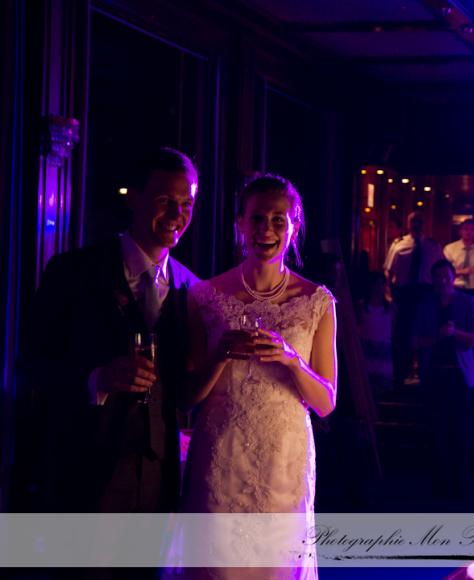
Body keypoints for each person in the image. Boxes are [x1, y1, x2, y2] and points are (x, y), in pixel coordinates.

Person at [17, 147, 199, 513]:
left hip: (158, 482)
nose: (177, 215)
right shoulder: (72, 271)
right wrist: (96, 379)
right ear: (134, 197)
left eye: (186, 204)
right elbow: (31, 366)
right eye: (165, 201)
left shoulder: (192, 288)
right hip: (80, 472)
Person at [180, 174, 336, 578]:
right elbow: (187, 398)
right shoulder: (205, 297)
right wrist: (219, 355)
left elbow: (325, 402)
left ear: (294, 227)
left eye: (278, 220)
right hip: (222, 457)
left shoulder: (317, 302)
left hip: (284, 460)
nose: (266, 229)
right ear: (240, 224)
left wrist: (292, 361)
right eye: (257, 219)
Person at [413, 259, 474, 503]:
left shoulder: (467, 302)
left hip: (459, 377)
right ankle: (439, 487)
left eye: (446, 276)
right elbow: (415, 340)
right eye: (438, 276)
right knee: (436, 432)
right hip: (433, 376)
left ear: (453, 278)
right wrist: (437, 337)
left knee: (460, 432)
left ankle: (460, 486)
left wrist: (455, 333)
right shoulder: (425, 305)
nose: (442, 281)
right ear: (432, 280)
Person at [383, 211, 443, 387]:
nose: (416, 225)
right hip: (404, 294)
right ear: (408, 224)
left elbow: (440, 270)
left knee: (425, 333)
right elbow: (388, 270)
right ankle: (401, 375)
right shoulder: (398, 245)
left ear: (425, 224)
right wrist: (389, 292)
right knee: (403, 335)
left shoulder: (433, 246)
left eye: (420, 221)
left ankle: (424, 375)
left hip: (425, 293)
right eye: (413, 222)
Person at [357, 271, 393, 397]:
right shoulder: (362, 306)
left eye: (382, 284)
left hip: (384, 353)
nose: (379, 287)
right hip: (367, 352)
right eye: (376, 284)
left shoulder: (391, 307)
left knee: (384, 390)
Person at [443, 218, 474, 299]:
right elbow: (444, 272)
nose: (468, 232)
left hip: (472, 291)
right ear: (460, 231)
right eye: (466, 229)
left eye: (471, 230)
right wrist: (462, 271)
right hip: (455, 289)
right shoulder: (450, 249)